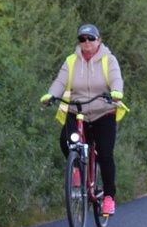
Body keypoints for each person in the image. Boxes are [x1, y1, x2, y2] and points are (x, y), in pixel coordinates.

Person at [40, 23, 124, 215]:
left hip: (102, 112)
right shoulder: (71, 61)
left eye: (91, 39)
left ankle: (109, 197)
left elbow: (116, 79)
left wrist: (116, 92)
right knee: (65, 142)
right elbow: (60, 82)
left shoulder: (108, 60)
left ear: (99, 40)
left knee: (105, 154)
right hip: (77, 112)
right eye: (82, 39)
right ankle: (77, 168)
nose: (86, 43)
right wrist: (50, 95)